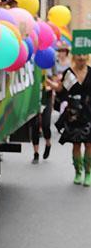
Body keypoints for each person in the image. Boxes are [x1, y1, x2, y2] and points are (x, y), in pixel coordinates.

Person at [52, 54, 91, 185]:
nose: (81, 58)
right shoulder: (69, 73)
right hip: (74, 113)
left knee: (89, 144)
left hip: (89, 113)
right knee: (76, 143)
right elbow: (62, 91)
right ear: (75, 56)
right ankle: (78, 172)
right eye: (79, 55)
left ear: (87, 57)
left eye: (84, 55)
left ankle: (88, 173)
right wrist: (55, 86)